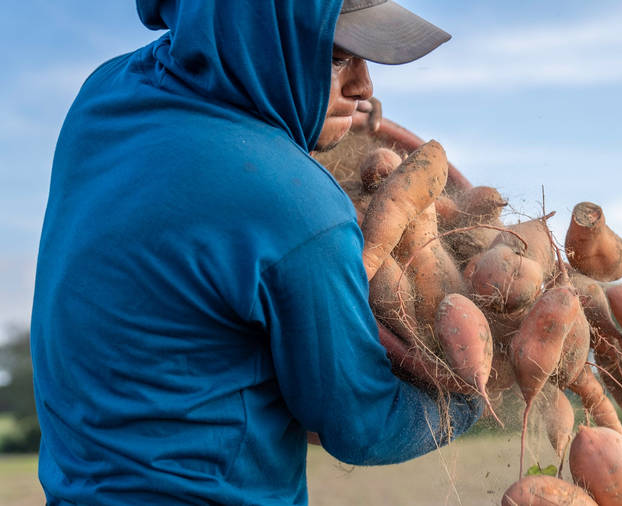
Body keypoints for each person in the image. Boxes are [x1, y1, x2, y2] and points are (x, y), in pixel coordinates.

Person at [30, 1, 483, 504]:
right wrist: (472, 397)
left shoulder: (104, 94)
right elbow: (363, 423)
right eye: (337, 58)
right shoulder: (295, 208)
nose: (363, 87)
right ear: (261, 39)